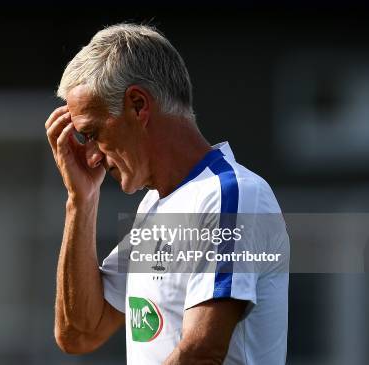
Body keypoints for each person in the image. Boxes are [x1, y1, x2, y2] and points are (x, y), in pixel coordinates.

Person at [45, 23, 289, 364]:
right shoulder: (157, 207)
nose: (93, 155)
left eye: (94, 132)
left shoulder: (230, 195)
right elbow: (79, 333)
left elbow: (203, 352)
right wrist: (80, 200)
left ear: (138, 104)